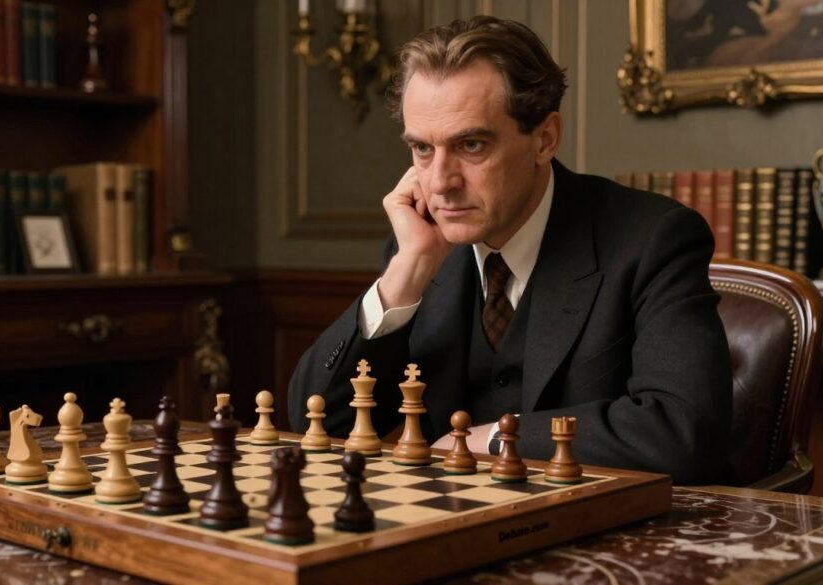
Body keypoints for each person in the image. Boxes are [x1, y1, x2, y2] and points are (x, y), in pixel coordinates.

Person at [288, 16, 733, 485]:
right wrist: (407, 272)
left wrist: (495, 439)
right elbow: (316, 420)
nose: (440, 182)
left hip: (615, 537)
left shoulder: (653, 239)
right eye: (422, 148)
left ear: (545, 139)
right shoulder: (419, 248)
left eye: (471, 144)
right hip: (461, 531)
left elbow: (685, 432)